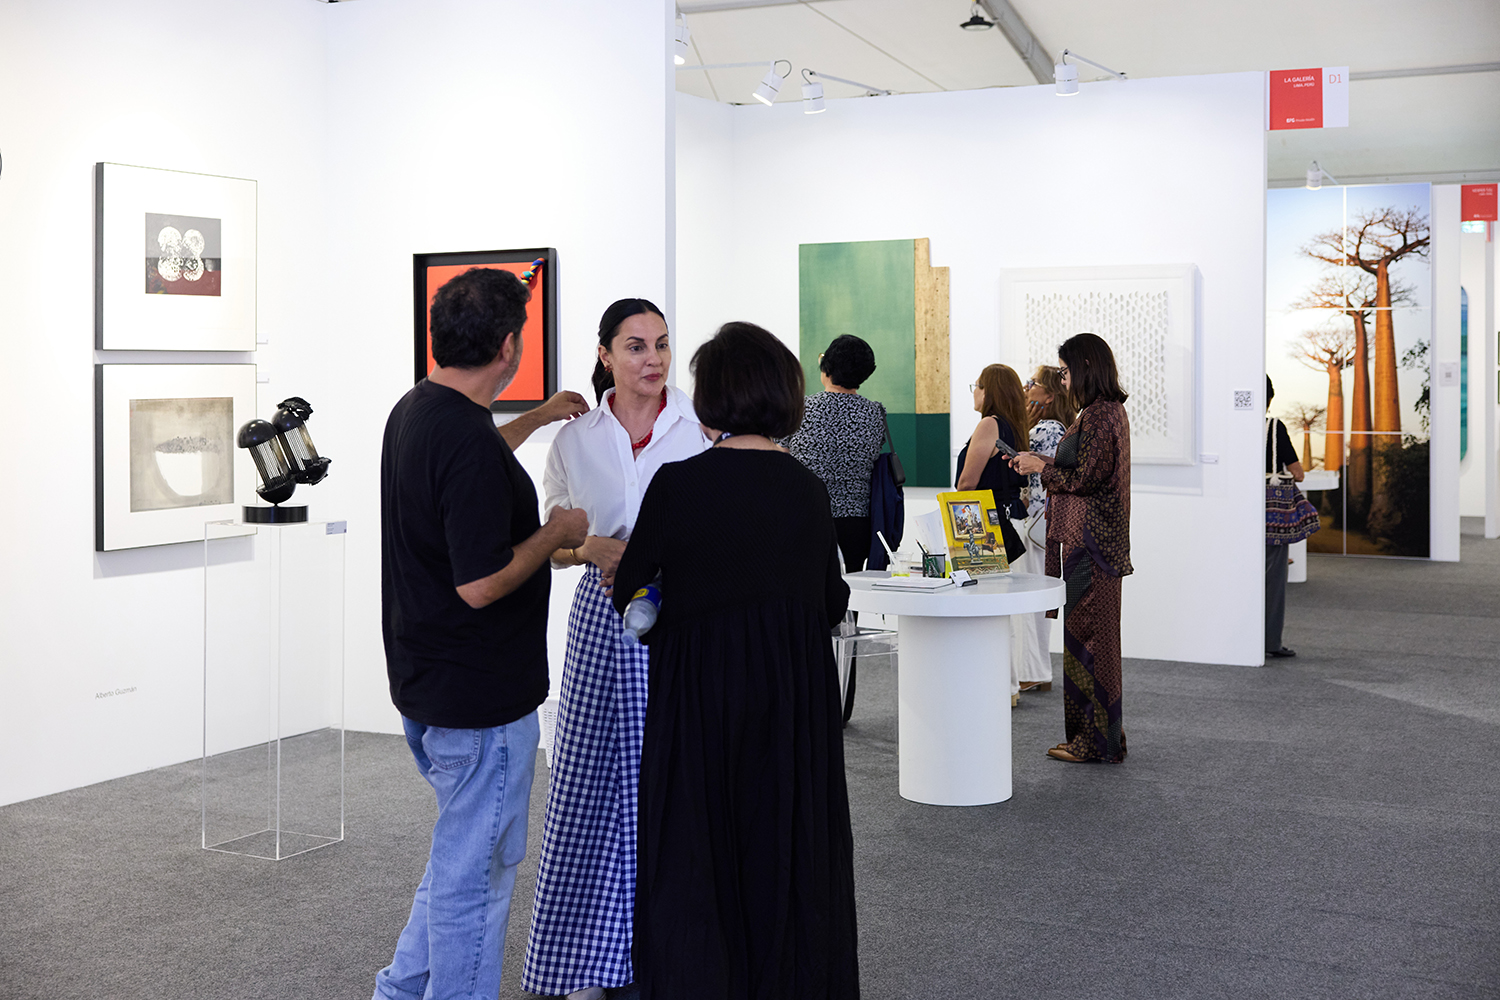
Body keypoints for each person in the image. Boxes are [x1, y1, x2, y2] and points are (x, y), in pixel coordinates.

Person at [614, 322, 859, 1000]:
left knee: (697, 848)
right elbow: (830, 600)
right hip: (789, 702)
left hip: (699, 698)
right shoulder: (805, 489)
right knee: (785, 846)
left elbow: (631, 584)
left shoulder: (677, 484)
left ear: (713, 397)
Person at [376, 267, 590, 1000]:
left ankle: (399, 992)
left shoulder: (418, 410)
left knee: (457, 859)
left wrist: (539, 418)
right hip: (481, 701)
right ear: (508, 347)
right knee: (478, 879)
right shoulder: (465, 443)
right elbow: (481, 583)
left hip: (428, 682)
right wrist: (556, 532)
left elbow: (473, 457)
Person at [523, 300, 708, 1000]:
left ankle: (673, 954)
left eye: (661, 344)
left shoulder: (699, 429)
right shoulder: (575, 441)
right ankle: (586, 963)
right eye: (635, 346)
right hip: (602, 627)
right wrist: (589, 547)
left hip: (682, 622)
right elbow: (552, 547)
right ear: (605, 355)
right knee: (591, 786)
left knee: (678, 783)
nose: (652, 359)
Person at [1011, 333, 1131, 764]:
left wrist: (1041, 470)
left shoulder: (1099, 415)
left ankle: (1093, 743)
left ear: (1085, 367)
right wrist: (1042, 462)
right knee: (1094, 643)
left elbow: (1084, 479)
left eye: (1065, 371)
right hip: (1095, 542)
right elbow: (1083, 469)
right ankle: (1103, 739)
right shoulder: (1104, 411)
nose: (1062, 379)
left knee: (1088, 643)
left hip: (1091, 543)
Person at [781, 334, 887, 573]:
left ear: (827, 367)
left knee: (807, 587)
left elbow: (780, 459)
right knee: (851, 589)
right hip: (856, 523)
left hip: (806, 515)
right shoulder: (875, 413)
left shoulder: (798, 409)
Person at [1013, 365, 1077, 695]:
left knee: (1028, 601)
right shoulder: (1058, 426)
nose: (1027, 387)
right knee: (1036, 599)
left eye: (1033, 383)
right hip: (1043, 522)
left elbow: (1027, 468)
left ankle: (1032, 670)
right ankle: (1036, 669)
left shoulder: (1046, 428)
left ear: (1049, 396)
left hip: (1034, 523)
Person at [955, 363, 1029, 565]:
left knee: (987, 583)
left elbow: (966, 484)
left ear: (988, 391)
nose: (974, 392)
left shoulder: (989, 424)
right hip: (1012, 518)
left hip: (989, 523)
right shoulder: (1015, 425)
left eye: (977, 386)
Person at [1265, 375, 1304, 660]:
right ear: (1269, 397)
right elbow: (1297, 472)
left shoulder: (1230, 426)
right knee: (1273, 577)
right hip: (1271, 514)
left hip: (1236, 513)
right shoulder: (1274, 427)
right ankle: (1270, 641)